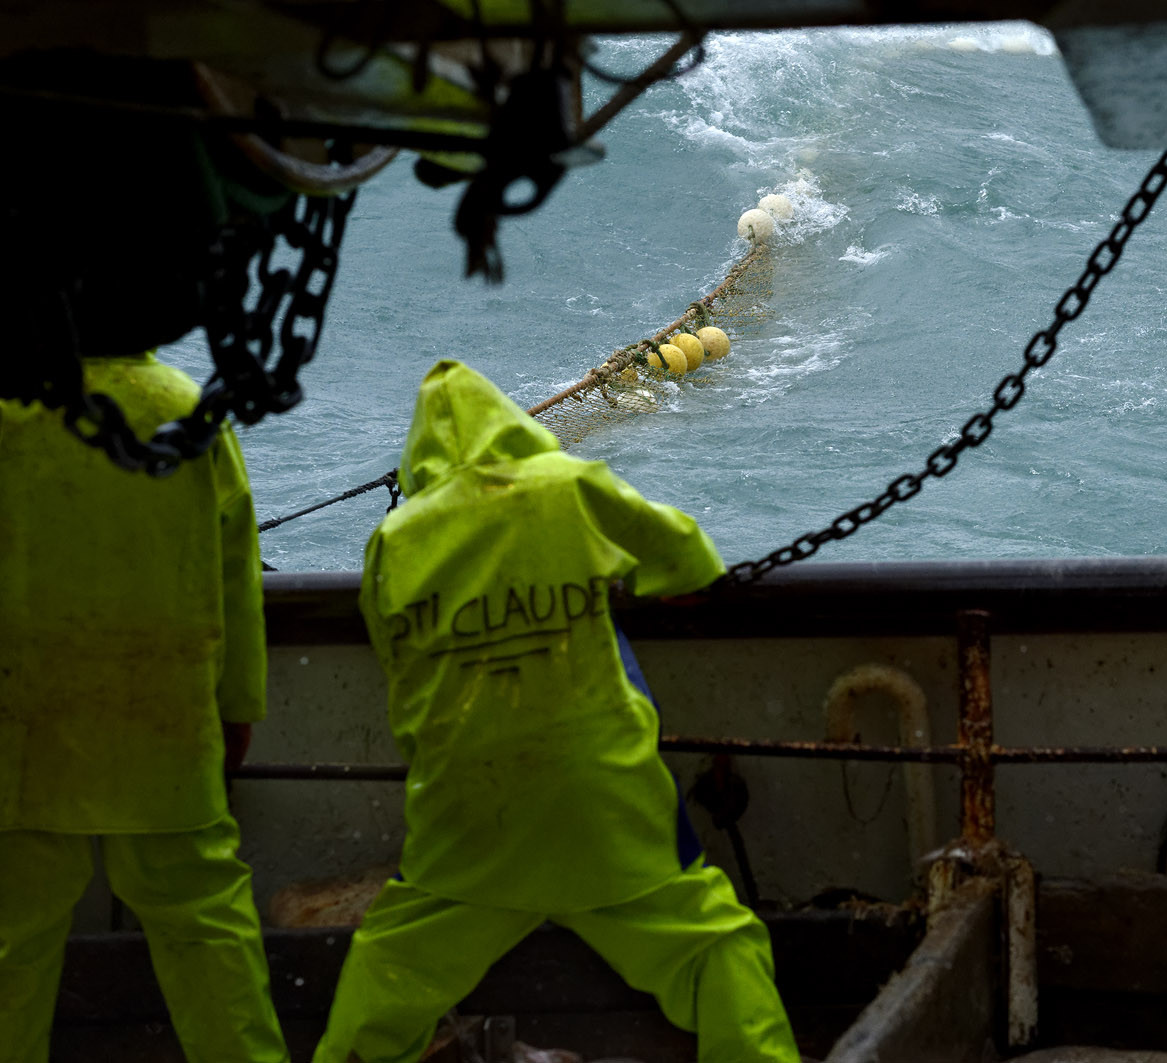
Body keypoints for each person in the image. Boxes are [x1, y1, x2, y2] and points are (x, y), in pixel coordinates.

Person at [313, 359, 800, 1063]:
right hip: (602, 804)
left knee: (389, 971)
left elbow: (396, 659)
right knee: (716, 947)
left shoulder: (395, 539)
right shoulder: (569, 487)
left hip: (469, 819)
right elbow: (691, 558)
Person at [0, 351, 288, 1063]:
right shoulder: (189, 409)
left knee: (13, 938)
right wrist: (239, 706)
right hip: (164, 724)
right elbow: (236, 578)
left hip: (27, 730)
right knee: (206, 927)